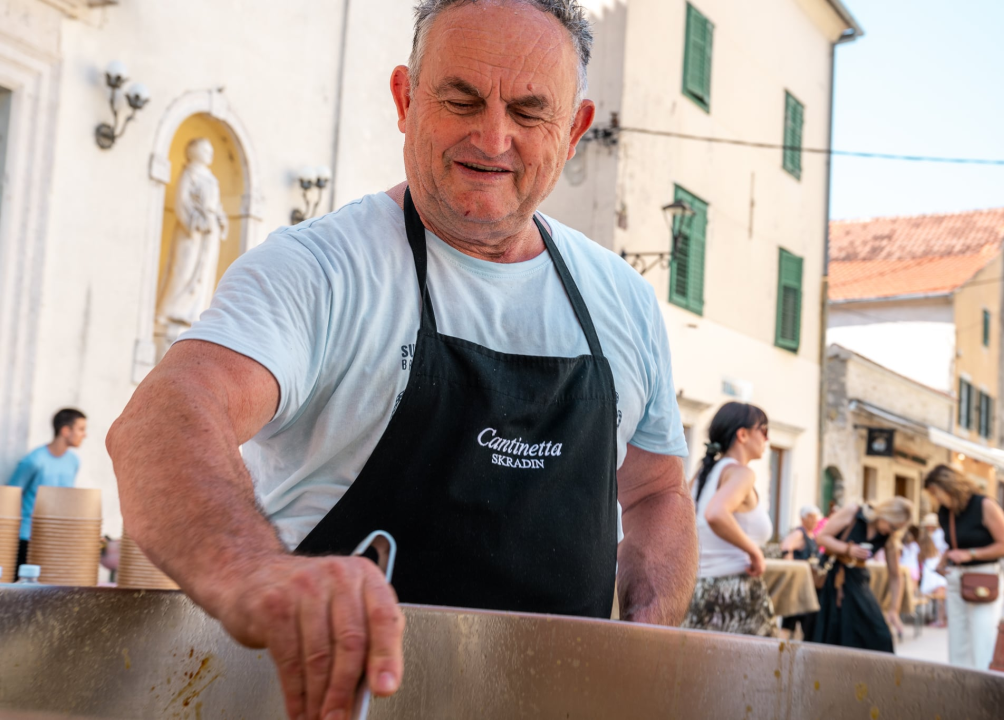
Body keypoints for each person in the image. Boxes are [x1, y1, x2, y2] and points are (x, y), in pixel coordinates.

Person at [106, 3, 699, 718]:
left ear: (573, 131)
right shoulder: (320, 269)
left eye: (529, 111)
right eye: (462, 100)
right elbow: (163, 423)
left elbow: (657, 492)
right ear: (405, 99)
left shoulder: (623, 301)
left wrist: (645, 632)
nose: (493, 137)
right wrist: (254, 573)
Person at [682, 402, 775, 637]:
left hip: (698, 590)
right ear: (742, 435)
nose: (767, 439)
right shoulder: (742, 473)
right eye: (764, 430)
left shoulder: (703, 474)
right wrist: (755, 552)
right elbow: (715, 514)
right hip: (734, 590)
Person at [923, 464, 1004, 670]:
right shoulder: (945, 512)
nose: (935, 498)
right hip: (956, 577)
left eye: (935, 493)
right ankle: (960, 684)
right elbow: (957, 543)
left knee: (982, 639)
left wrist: (970, 554)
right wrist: (945, 558)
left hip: (983, 578)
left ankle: (983, 684)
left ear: (948, 486)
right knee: (958, 642)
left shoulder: (984, 505)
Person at [812, 496, 913, 652]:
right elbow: (821, 537)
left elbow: (895, 575)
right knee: (830, 634)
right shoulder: (854, 511)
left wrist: (894, 609)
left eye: (897, 529)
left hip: (857, 581)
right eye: (893, 526)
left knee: (880, 637)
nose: (892, 531)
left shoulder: (889, 537)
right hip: (831, 577)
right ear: (886, 514)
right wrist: (847, 549)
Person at [5, 409, 86, 569]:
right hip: (26, 538)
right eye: (81, 429)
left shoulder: (73, 461)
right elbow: (11, 496)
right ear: (65, 431)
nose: (85, 435)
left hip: (54, 539)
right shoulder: (34, 460)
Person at [779, 504, 821, 639]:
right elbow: (786, 547)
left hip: (807, 585)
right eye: (810, 517)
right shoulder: (799, 533)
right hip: (798, 584)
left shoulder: (812, 535)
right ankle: (780, 648)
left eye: (815, 518)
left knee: (805, 623)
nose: (814, 521)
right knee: (789, 623)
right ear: (803, 519)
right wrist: (791, 570)